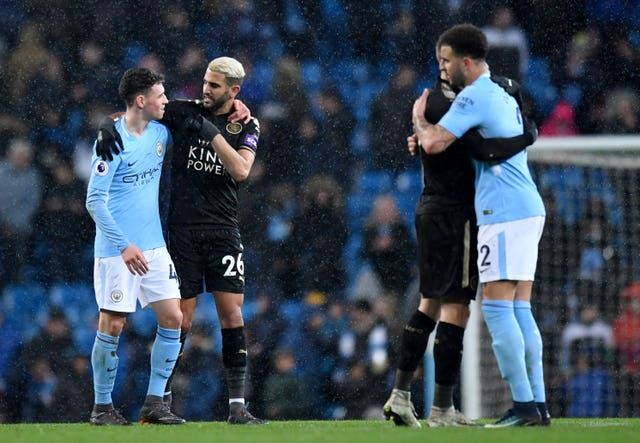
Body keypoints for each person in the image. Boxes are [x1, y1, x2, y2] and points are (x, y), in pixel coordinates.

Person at [96, 56, 266, 424]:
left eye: (215, 86)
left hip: (223, 230)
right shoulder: (182, 111)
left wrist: (210, 132)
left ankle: (237, 406)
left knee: (232, 314)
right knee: (180, 320)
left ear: (234, 91)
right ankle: (160, 402)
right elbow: (136, 111)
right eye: (205, 82)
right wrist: (107, 128)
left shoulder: (247, 124)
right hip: (182, 230)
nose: (206, 89)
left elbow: (240, 170)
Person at [382, 39, 538, 428]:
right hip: (456, 216)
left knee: (429, 304)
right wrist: (527, 134)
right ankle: (441, 409)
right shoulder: (449, 104)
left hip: (435, 211)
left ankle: (401, 395)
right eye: (440, 61)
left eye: (445, 60)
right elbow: (483, 149)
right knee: (457, 310)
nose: (443, 66)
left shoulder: (445, 101)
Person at [85, 67, 185, 426]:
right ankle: (101, 407)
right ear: (141, 100)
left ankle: (155, 404)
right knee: (112, 323)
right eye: (160, 95)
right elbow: (94, 201)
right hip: (117, 251)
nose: (165, 101)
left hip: (154, 246)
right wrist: (124, 246)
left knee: (173, 317)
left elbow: (193, 113)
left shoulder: (160, 131)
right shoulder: (110, 142)